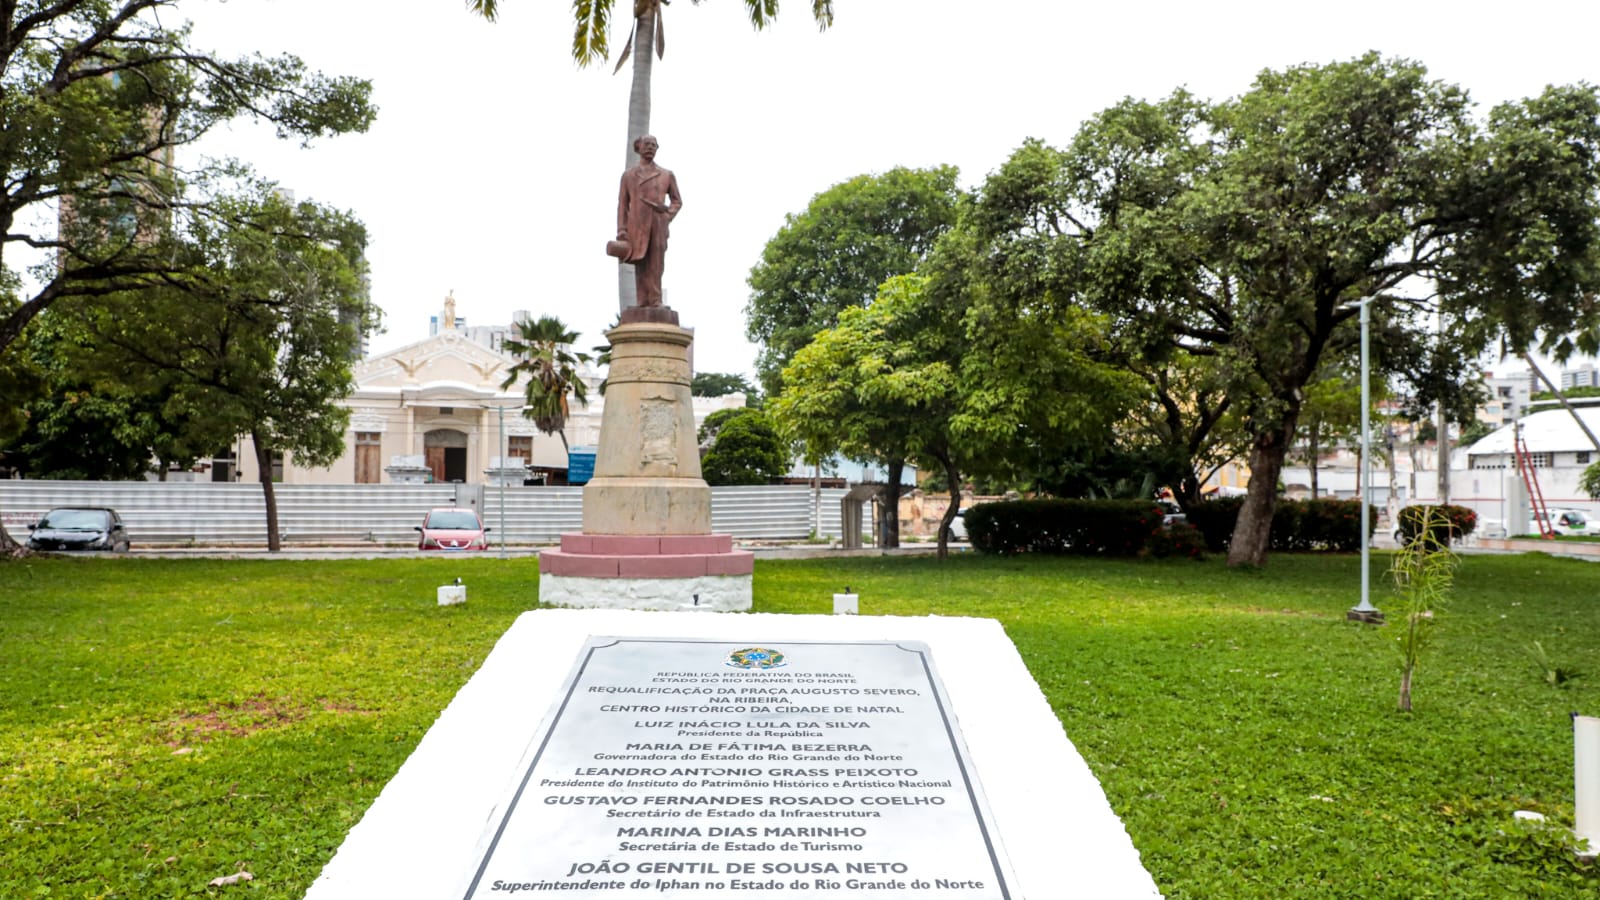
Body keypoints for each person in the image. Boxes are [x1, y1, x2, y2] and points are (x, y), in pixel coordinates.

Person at [615, 134, 682, 307]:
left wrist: (667, 216)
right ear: (638, 148)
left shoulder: (666, 174)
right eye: (647, 144)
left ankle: (655, 299)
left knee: (656, 263)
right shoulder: (629, 176)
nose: (651, 147)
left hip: (658, 223)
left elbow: (677, 201)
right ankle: (642, 300)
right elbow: (623, 205)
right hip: (637, 225)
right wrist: (621, 230)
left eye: (654, 145)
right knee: (641, 262)